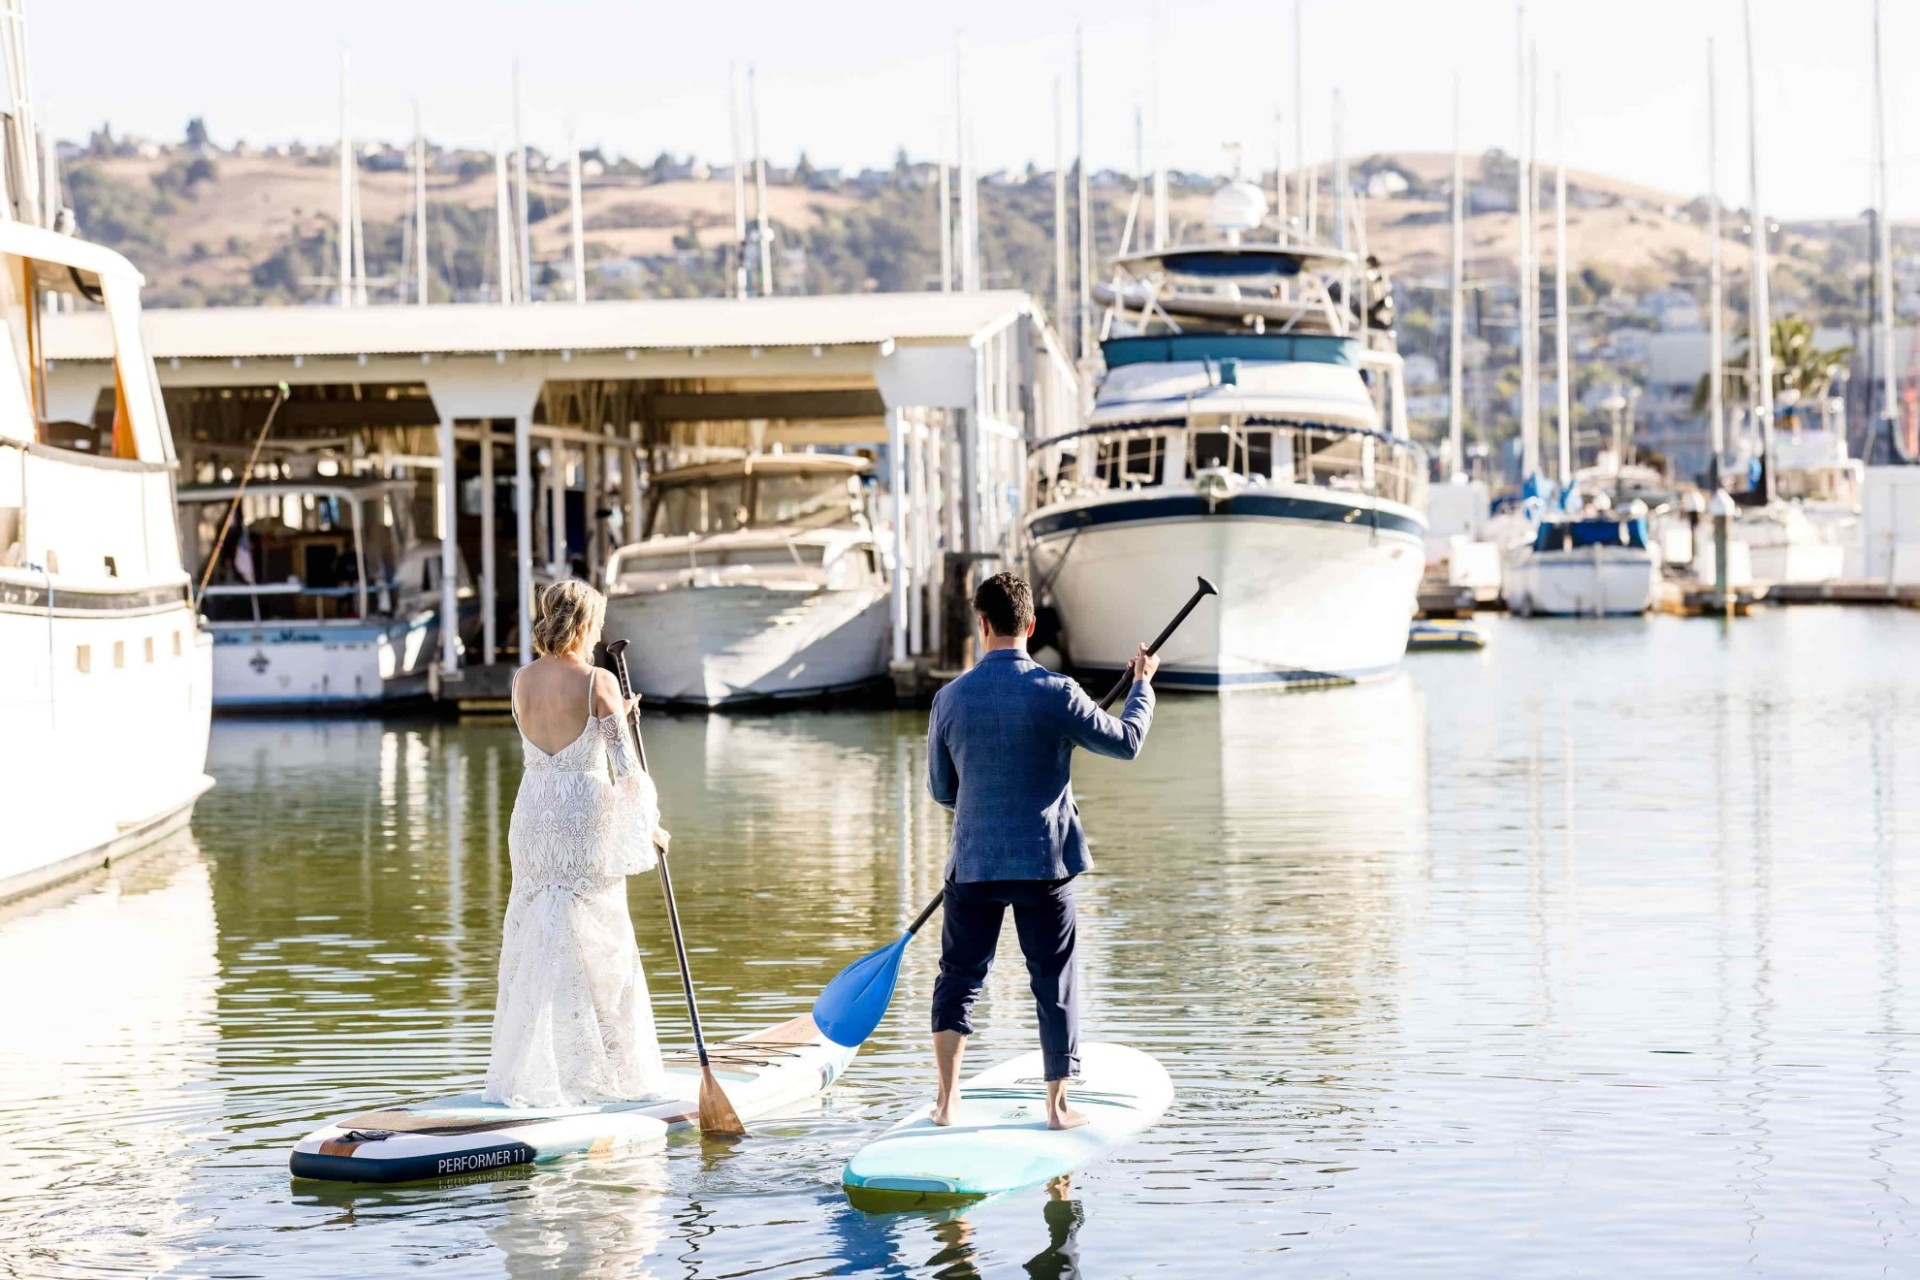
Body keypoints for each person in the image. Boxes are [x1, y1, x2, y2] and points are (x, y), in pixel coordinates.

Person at [925, 572, 1158, 1129]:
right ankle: (1056, 1109)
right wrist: (1141, 685)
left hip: (974, 863)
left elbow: (941, 790)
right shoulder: (1058, 694)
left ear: (982, 625)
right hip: (1044, 865)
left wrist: (983, 800)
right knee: (1053, 981)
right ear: (1031, 625)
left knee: (958, 979)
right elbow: (1126, 742)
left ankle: (946, 1103)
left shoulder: (948, 698)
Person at [483, 580, 673, 1108]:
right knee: (602, 946)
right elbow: (626, 771)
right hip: (582, 814)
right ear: (587, 624)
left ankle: (531, 1074)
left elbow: (549, 735)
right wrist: (648, 827)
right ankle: (613, 1077)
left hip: (533, 815)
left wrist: (616, 714)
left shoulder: (520, 679)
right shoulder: (599, 681)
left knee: (536, 939)